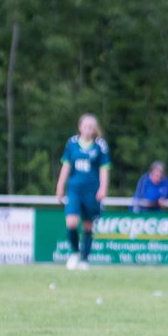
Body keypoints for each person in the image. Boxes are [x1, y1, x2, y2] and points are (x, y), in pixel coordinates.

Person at [54, 113, 110, 270]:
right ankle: (75, 252)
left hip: (91, 191)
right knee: (71, 223)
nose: (88, 130)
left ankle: (85, 259)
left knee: (87, 226)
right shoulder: (72, 143)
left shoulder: (100, 145)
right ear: (80, 127)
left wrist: (103, 188)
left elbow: (104, 169)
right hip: (74, 190)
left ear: (94, 129)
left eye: (91, 127)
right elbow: (66, 166)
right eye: (85, 126)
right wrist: (60, 186)